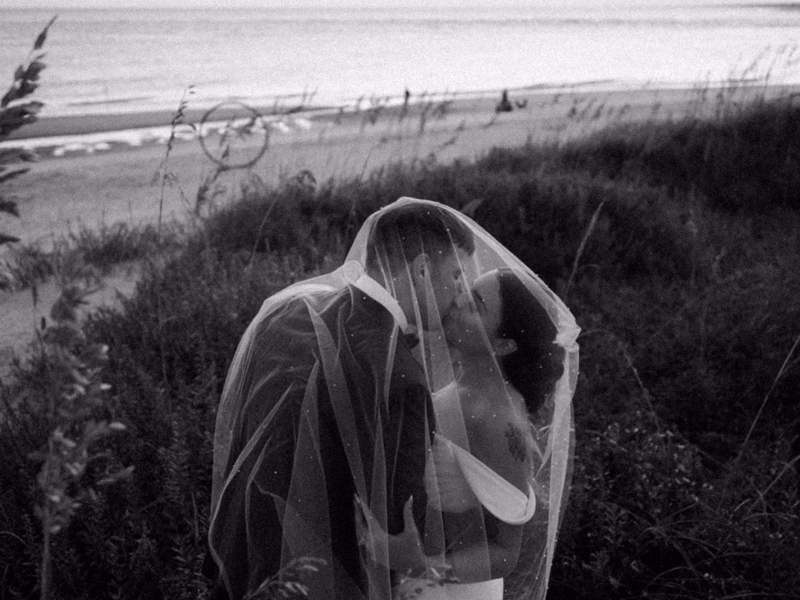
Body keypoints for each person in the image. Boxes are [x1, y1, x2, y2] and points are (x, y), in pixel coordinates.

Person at [205, 197, 475, 600]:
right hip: (322, 579)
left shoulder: (286, 312)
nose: (461, 293)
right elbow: (400, 528)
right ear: (420, 269)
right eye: (456, 274)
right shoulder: (400, 376)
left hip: (240, 556)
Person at [356, 267, 574, 600]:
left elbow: (506, 553)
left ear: (503, 345)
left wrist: (419, 565)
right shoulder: (466, 389)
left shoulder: (498, 418)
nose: (457, 300)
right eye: (466, 290)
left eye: (475, 304)